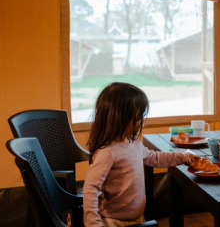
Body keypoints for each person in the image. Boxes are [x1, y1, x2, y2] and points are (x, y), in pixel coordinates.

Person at [83, 82, 200, 227]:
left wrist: (183, 157)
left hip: (136, 219)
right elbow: (90, 189)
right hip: (112, 222)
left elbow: (154, 158)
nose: (141, 122)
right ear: (119, 118)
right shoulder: (107, 153)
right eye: (138, 118)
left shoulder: (133, 143)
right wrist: (92, 223)